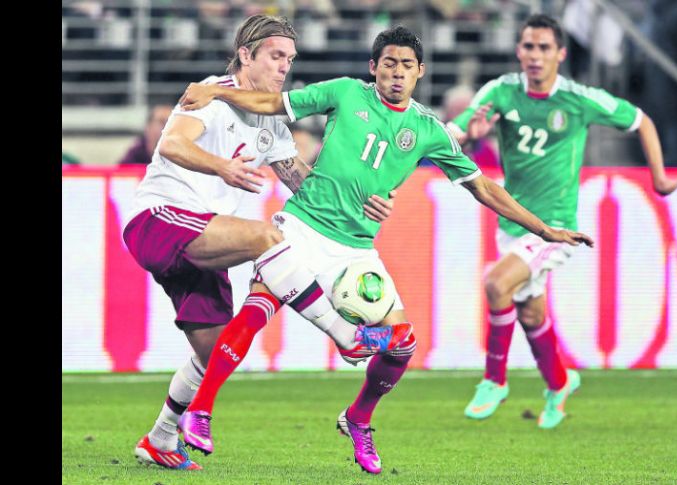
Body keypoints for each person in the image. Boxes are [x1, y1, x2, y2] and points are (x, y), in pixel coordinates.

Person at [178, 25, 593, 474]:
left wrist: (543, 229)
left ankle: (358, 418)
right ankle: (200, 411)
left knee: (402, 344)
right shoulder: (343, 93)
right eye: (389, 64)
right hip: (302, 226)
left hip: (356, 250)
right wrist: (214, 94)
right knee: (256, 310)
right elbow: (270, 103)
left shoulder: (428, 131)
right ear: (373, 67)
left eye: (407, 66)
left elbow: (485, 189)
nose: (397, 73)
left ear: (420, 73)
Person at [125, 15, 403, 472]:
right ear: (245, 54)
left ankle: (160, 437)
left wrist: (360, 205)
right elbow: (172, 144)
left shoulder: (270, 119)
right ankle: (346, 335)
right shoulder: (210, 95)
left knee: (214, 353)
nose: (284, 68)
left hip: (204, 232)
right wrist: (221, 167)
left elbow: (302, 183)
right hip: (159, 219)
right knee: (265, 235)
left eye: (290, 60)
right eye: (276, 56)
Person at [447, 13, 677, 428]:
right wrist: (471, 134)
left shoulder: (578, 98)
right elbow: (453, 131)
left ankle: (494, 380)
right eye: (528, 47)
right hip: (513, 224)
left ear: (561, 53)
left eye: (544, 48)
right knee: (531, 315)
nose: (535, 56)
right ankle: (558, 383)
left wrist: (659, 177)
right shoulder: (502, 91)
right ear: (518, 50)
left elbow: (640, 120)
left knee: (496, 284)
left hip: (554, 226)